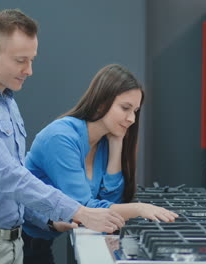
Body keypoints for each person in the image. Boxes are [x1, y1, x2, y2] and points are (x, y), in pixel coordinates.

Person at [0, 9, 124, 264]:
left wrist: (50, 221)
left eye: (32, 60)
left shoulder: (7, 103)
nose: (29, 70)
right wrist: (78, 211)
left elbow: (15, 185)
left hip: (13, 245)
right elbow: (8, 177)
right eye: (21, 60)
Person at [21, 64, 179, 264]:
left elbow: (110, 200)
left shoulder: (104, 141)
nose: (131, 119)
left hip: (41, 240)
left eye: (135, 111)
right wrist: (139, 209)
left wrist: (116, 143)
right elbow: (84, 208)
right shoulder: (61, 138)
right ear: (101, 103)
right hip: (16, 240)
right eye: (125, 108)